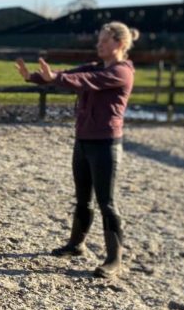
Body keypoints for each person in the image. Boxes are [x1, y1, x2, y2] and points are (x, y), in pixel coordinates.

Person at [15, 22, 138, 279]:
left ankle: (114, 259)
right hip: (83, 141)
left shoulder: (121, 72)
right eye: (99, 40)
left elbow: (88, 81)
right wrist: (33, 78)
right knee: (83, 198)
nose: (98, 45)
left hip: (105, 144)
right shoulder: (95, 67)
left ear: (119, 43)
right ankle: (76, 244)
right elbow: (69, 75)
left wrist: (56, 77)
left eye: (103, 40)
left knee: (107, 202)